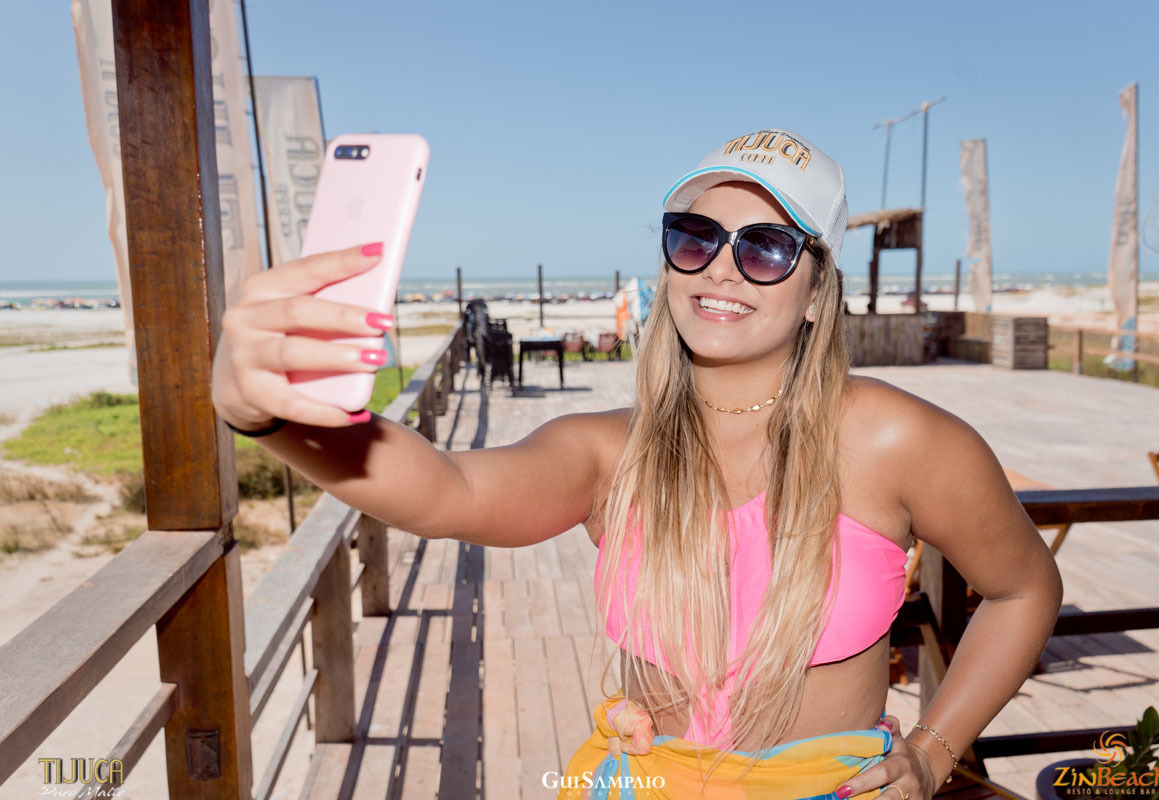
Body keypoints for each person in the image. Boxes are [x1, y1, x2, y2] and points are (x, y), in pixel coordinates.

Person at [211, 128, 1063, 799]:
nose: (721, 267)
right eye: (696, 237)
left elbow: (1025, 589)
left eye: (766, 247)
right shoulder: (610, 453)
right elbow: (445, 492)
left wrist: (933, 751)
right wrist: (263, 414)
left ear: (816, 291)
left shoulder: (895, 439)